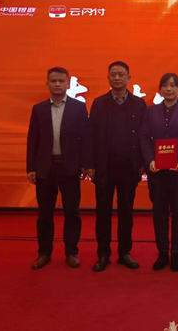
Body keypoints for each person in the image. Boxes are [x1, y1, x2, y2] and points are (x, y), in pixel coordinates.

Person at [85, 61, 147, 272]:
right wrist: (89, 164)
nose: (117, 78)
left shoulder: (139, 104)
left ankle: (124, 252)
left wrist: (142, 163)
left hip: (129, 167)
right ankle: (103, 254)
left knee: (126, 212)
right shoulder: (99, 103)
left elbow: (144, 136)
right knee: (103, 212)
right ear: (108, 78)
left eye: (121, 74)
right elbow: (90, 136)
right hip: (104, 167)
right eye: (113, 74)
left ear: (129, 78)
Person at [26, 67, 89, 270]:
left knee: (72, 212)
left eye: (61, 81)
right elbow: (33, 140)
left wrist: (85, 165)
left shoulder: (79, 108)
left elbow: (84, 139)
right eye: (53, 81)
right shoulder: (38, 109)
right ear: (47, 84)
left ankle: (71, 252)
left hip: (70, 167)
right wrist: (31, 167)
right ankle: (44, 253)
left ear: (68, 83)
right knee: (45, 213)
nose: (57, 84)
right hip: (45, 168)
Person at [140, 73, 178, 272]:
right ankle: (163, 252)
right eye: (165, 85)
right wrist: (150, 160)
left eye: (173, 85)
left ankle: (176, 254)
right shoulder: (150, 112)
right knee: (159, 213)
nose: (169, 89)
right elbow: (144, 138)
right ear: (160, 90)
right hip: (157, 172)